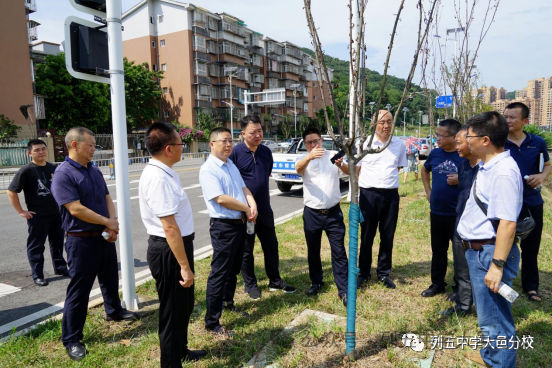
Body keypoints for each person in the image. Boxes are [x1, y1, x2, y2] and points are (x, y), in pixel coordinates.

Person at [51, 127, 139, 361]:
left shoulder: (93, 170)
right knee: (79, 291)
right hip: (80, 241)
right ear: (74, 145)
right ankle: (71, 338)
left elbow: (107, 198)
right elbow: (75, 208)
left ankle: (114, 311)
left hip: (102, 236)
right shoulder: (64, 174)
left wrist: (111, 225)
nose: (94, 149)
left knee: (110, 278)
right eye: (90, 145)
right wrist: (107, 222)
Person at [457, 112, 522, 368]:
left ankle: (500, 363)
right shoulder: (488, 165)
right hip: (480, 251)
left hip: (489, 253)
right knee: (489, 318)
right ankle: (491, 357)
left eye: (470, 136)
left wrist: (497, 265)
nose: (466, 140)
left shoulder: (503, 172)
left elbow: (507, 224)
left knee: (495, 320)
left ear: (485, 140)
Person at [138, 122, 206, 366]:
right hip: (169, 250)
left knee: (183, 307)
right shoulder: (158, 178)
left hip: (176, 247)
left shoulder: (166, 171)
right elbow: (169, 228)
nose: (183, 148)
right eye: (180, 144)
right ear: (168, 148)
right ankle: (170, 362)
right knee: (171, 312)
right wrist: (185, 267)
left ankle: (180, 350)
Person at [229, 115, 296, 301]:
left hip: (265, 209)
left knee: (271, 246)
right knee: (246, 250)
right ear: (243, 134)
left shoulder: (266, 151)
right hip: (245, 212)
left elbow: (266, 174)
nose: (258, 135)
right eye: (253, 132)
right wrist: (245, 207)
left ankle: (275, 280)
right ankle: (250, 285)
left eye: (260, 130)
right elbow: (234, 184)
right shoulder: (235, 154)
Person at [199, 127, 258, 336]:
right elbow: (220, 198)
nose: (228, 145)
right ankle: (212, 322)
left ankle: (228, 302)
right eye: (224, 141)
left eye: (230, 141)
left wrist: (252, 204)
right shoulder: (209, 169)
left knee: (233, 268)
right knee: (219, 272)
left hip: (240, 223)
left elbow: (244, 189)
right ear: (212, 144)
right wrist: (246, 208)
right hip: (223, 227)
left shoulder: (230, 164)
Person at [295, 127, 349, 306]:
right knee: (313, 250)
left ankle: (343, 288)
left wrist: (341, 164)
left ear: (322, 140)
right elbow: (298, 169)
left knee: (339, 251)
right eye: (309, 142)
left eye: (316, 141)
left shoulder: (333, 155)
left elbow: (348, 172)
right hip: (312, 212)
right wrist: (309, 156)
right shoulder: (304, 159)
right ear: (305, 144)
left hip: (333, 212)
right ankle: (316, 282)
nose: (313, 145)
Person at [504, 102, 551, 302]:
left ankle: (531, 287)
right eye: (505, 117)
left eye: (512, 117)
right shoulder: (498, 142)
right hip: (506, 203)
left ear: (525, 121)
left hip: (532, 201)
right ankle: (504, 284)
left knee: (531, 247)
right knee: (504, 244)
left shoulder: (537, 142)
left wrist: (541, 177)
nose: (507, 121)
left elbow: (547, 165)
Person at [356, 110, 407, 289]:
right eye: (382, 122)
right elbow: (357, 170)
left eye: (389, 122)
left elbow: (398, 166)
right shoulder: (364, 144)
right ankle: (364, 272)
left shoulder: (399, 144)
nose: (386, 126)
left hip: (391, 195)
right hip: (369, 195)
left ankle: (384, 273)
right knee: (366, 236)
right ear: (374, 124)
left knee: (388, 235)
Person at [7, 139, 68, 286]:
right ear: (30, 153)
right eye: (36, 150)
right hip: (37, 215)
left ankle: (60, 268)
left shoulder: (53, 168)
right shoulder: (26, 170)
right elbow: (12, 191)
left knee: (57, 243)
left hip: (56, 213)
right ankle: (38, 274)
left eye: (43, 149)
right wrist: (21, 211)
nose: (41, 152)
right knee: (36, 246)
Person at [420, 119, 464, 298]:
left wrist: (460, 179)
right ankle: (437, 283)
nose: (436, 138)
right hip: (437, 212)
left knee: (459, 253)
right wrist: (428, 191)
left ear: (454, 137)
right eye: (436, 135)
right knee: (438, 250)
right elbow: (425, 170)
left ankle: (459, 287)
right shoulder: (436, 154)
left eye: (440, 135)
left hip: (458, 214)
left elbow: (477, 177)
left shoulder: (464, 155)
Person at [438, 126, 477, 316]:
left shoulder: (486, 168)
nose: (457, 146)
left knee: (478, 269)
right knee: (461, 267)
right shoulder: (463, 165)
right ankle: (463, 306)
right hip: (460, 222)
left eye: (460, 142)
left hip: (480, 228)